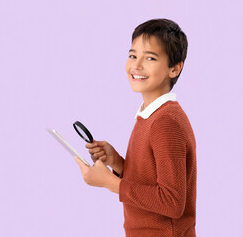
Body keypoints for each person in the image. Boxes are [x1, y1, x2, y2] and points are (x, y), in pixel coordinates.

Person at [74, 18, 196, 237]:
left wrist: (111, 183)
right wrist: (118, 163)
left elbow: (172, 202)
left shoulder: (166, 122)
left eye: (150, 58)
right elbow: (151, 182)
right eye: (132, 55)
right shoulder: (149, 115)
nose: (136, 65)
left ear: (175, 69)